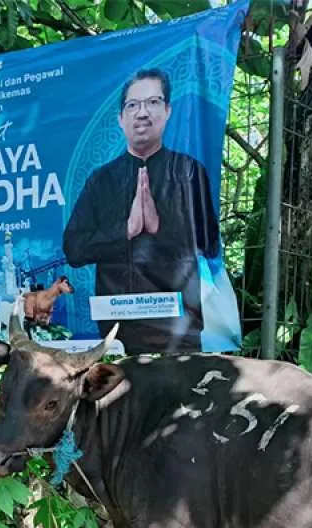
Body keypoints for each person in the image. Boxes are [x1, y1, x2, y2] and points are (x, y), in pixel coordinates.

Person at [62, 67, 220, 354]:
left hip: (178, 328)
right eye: (133, 105)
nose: (143, 113)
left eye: (153, 102)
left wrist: (160, 227)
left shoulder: (189, 172)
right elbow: (74, 249)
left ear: (168, 110)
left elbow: (209, 245)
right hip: (116, 331)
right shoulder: (102, 180)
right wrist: (126, 231)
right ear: (121, 118)